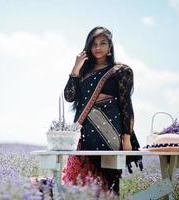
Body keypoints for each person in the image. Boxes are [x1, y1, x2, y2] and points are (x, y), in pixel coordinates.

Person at [61, 26, 143, 197]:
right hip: (83, 135)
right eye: (94, 44)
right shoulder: (83, 71)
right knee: (80, 183)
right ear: (88, 47)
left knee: (110, 183)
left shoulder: (121, 71)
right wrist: (75, 68)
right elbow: (69, 97)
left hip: (109, 136)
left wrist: (126, 138)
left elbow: (126, 105)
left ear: (110, 46)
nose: (97, 48)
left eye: (102, 43)